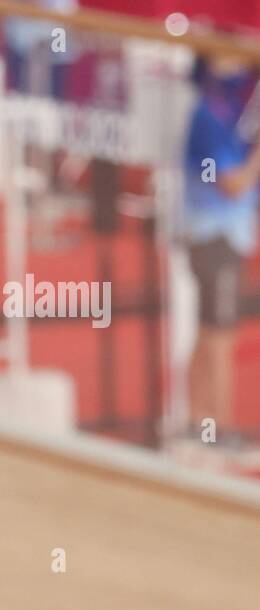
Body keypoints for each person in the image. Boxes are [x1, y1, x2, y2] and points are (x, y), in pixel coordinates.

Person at [183, 50, 260, 449]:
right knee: (220, 336)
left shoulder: (226, 113)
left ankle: (196, 419)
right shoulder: (210, 116)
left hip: (219, 236)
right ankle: (220, 428)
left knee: (208, 331)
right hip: (215, 237)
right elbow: (231, 184)